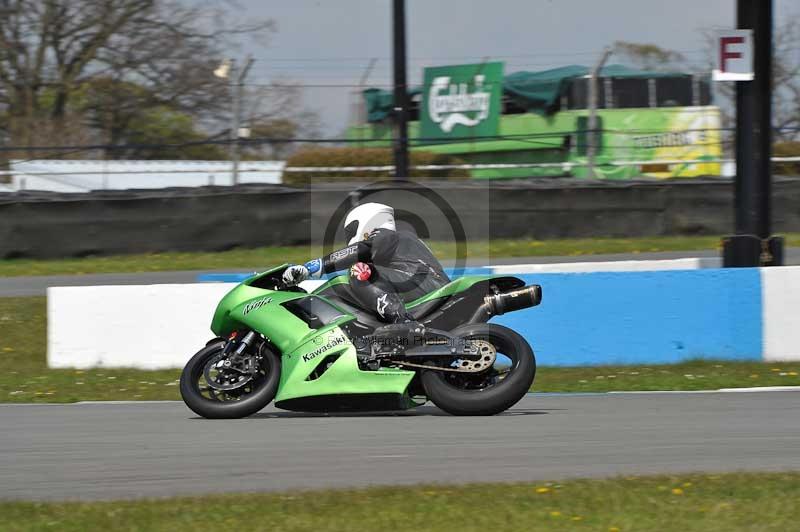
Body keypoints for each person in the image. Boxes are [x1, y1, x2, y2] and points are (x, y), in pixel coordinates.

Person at [282, 202, 450, 324]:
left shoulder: (388, 235)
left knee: (359, 270)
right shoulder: (401, 242)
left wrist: (312, 268)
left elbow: (360, 250)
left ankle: (403, 323)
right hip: (431, 287)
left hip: (427, 287)